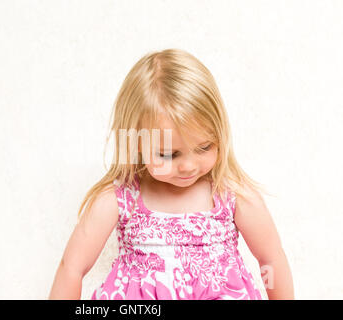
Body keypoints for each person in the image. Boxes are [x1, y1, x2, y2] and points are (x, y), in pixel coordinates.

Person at [49, 48, 294, 300]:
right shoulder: (121, 199)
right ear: (136, 143)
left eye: (204, 147)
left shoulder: (232, 195)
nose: (188, 166)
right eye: (168, 154)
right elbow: (72, 267)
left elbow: (271, 258)